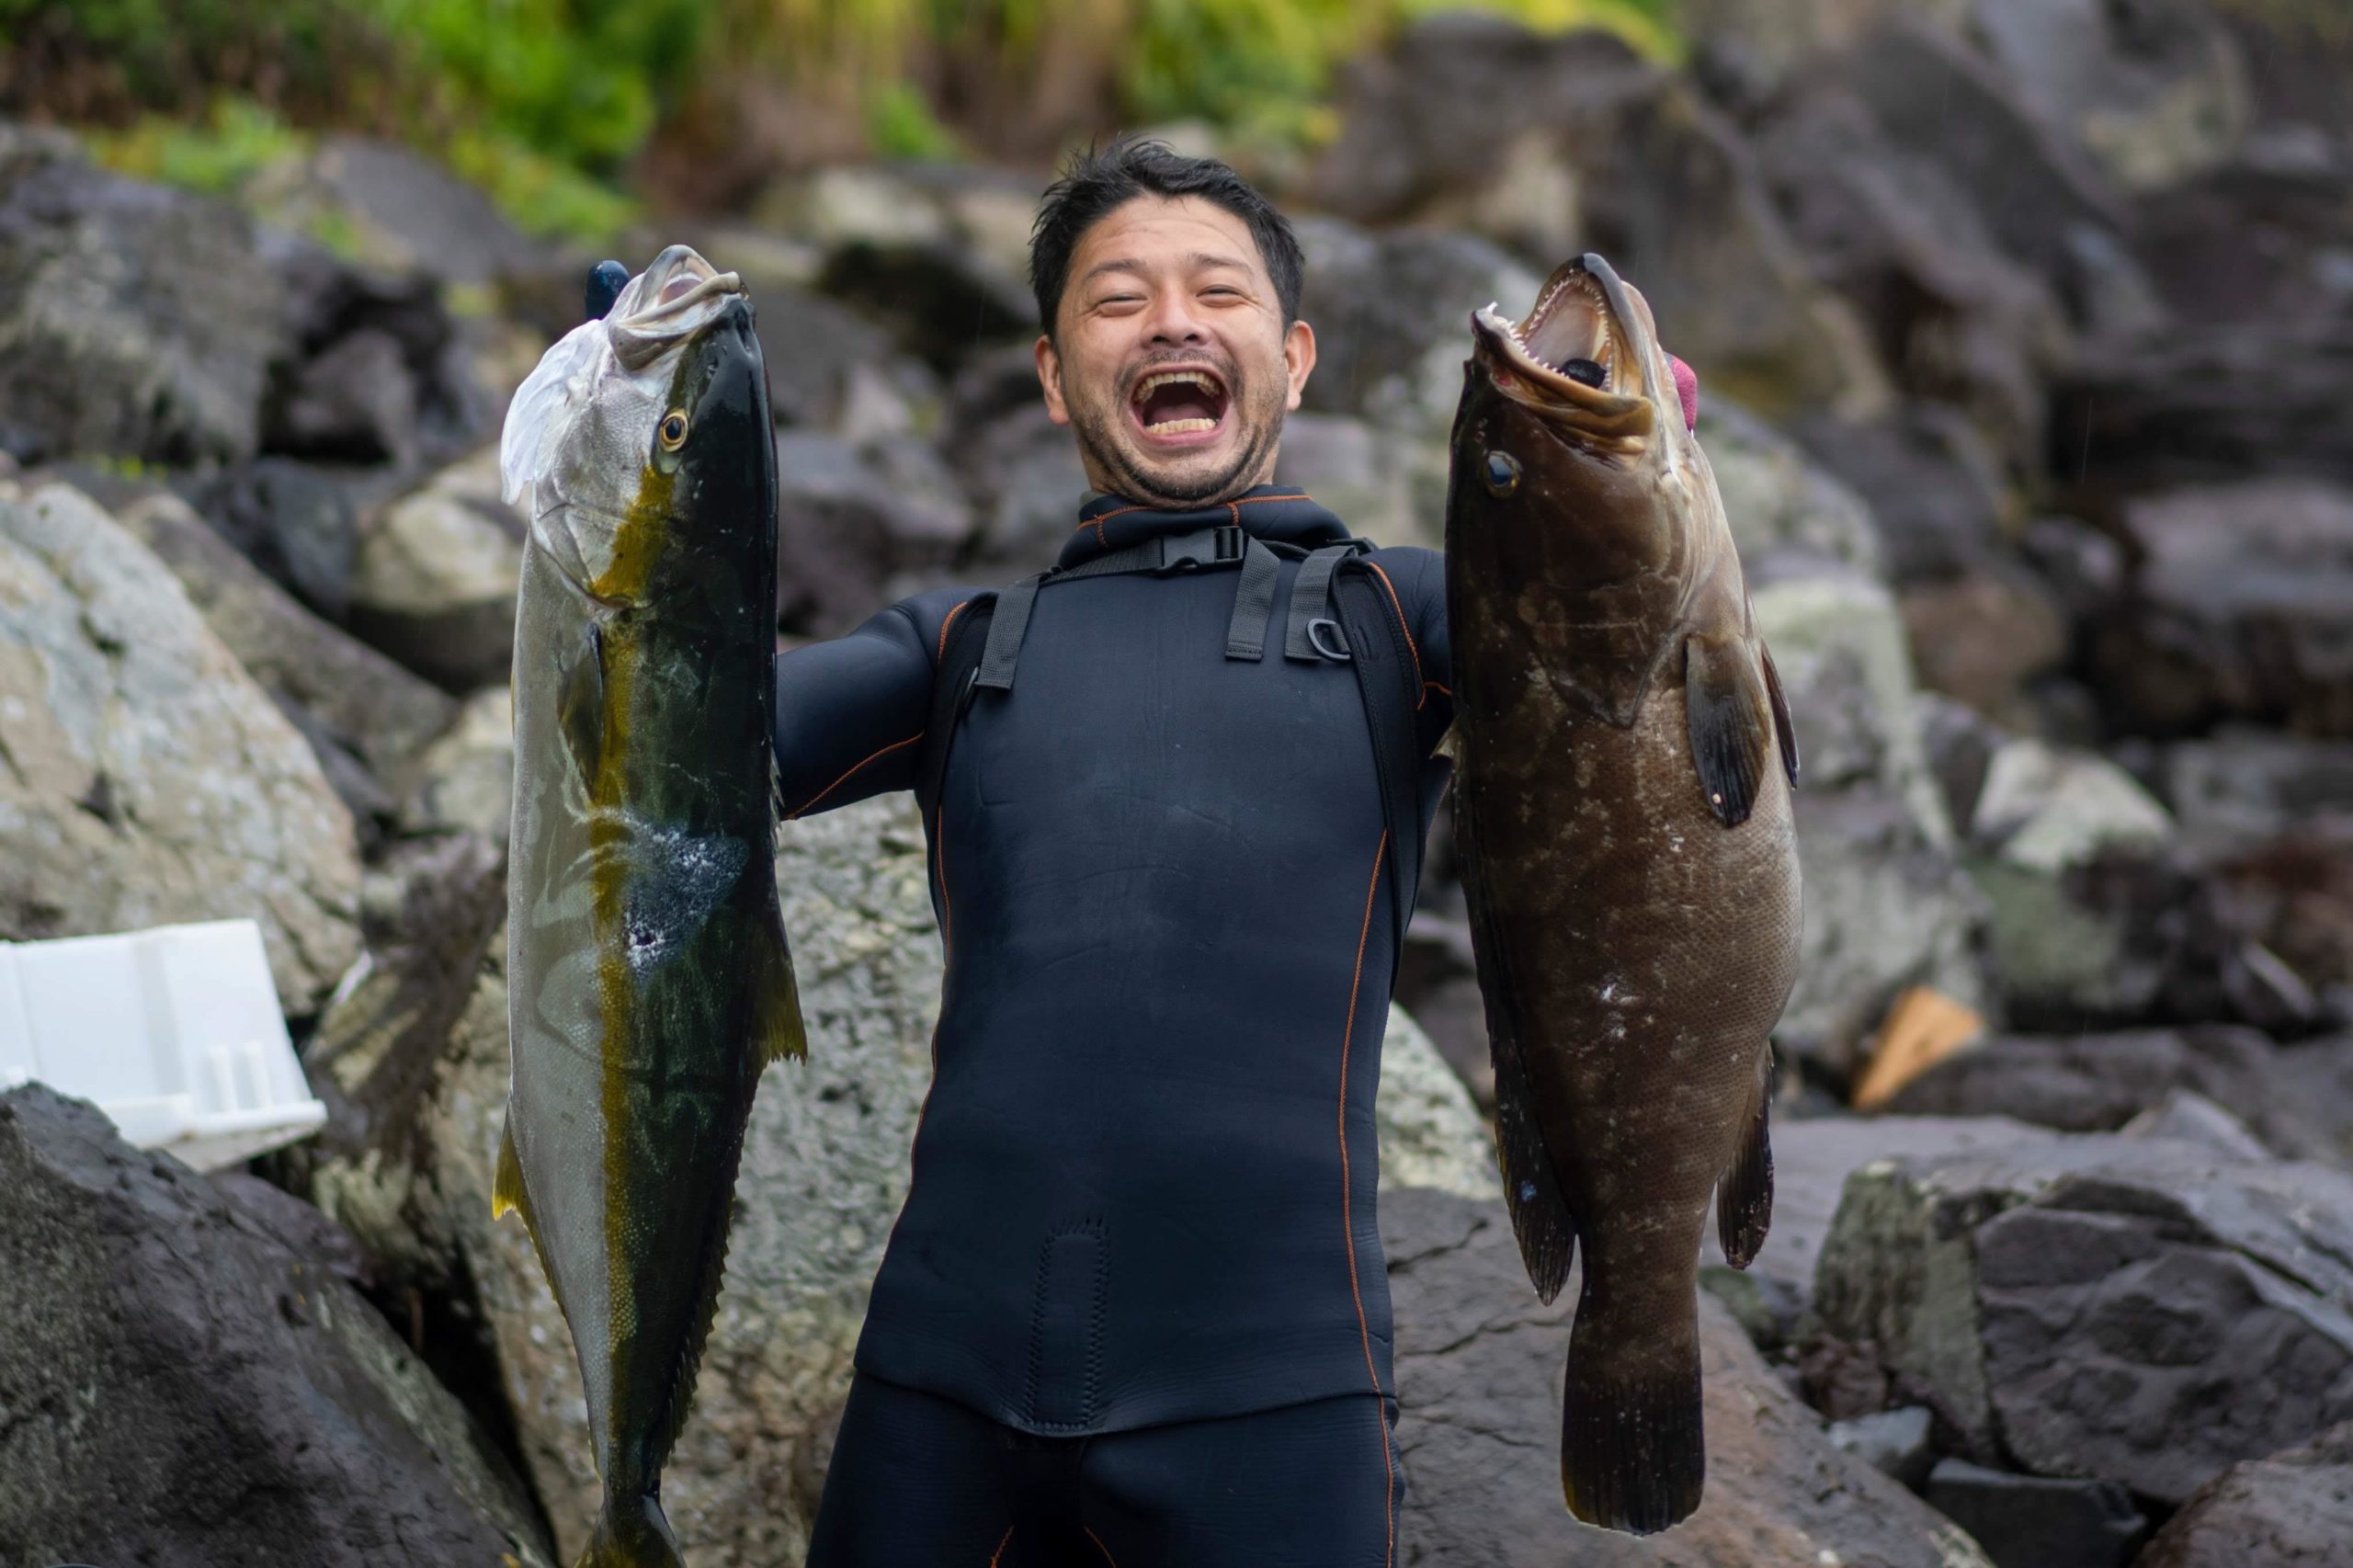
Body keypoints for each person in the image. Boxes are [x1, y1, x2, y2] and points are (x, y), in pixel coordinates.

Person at [779, 137, 1691, 1567]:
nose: (1174, 323)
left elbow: (1637, 671)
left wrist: (1614, 443)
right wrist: (637, 480)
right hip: (934, 1393)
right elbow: (669, 743)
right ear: (1049, 371)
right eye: (1116, 299)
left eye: (1217, 290)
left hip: (1273, 1402)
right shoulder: (959, 648)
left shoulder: (1403, 617)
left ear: (1297, 354)